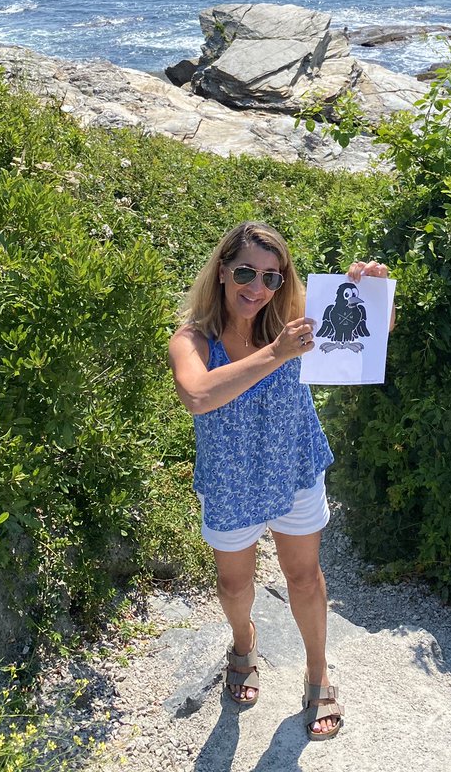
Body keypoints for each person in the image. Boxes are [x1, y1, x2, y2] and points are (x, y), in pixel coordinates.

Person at [169, 220, 392, 741]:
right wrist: (277, 353)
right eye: (246, 272)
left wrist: (374, 292)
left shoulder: (293, 318)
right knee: (234, 584)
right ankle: (243, 642)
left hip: (294, 467)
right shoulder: (193, 339)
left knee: (305, 577)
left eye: (272, 277)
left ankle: (317, 673)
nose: (258, 287)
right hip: (231, 480)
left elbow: (371, 334)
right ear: (222, 271)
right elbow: (198, 395)